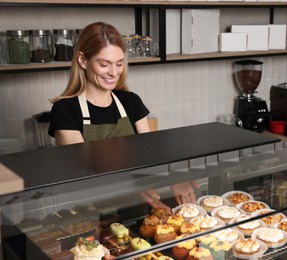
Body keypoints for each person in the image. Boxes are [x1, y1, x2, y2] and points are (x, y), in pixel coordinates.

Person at [48, 22, 198, 208]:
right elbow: (83, 173)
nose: (114, 72)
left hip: (136, 205)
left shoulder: (130, 101)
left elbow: (151, 154)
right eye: (104, 64)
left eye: (119, 64)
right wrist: (136, 185)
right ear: (82, 60)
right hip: (90, 213)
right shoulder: (65, 110)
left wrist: (175, 176)